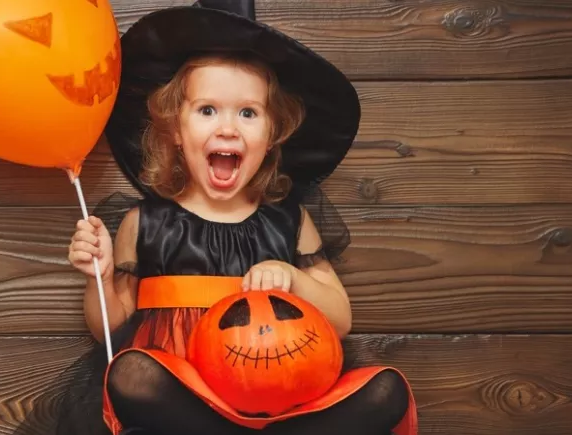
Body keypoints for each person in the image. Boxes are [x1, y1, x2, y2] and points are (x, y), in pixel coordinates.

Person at [62, 1, 418, 434]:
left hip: (281, 391)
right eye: (207, 110)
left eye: (248, 113)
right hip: (187, 400)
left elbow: (340, 319)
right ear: (175, 128)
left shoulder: (288, 220)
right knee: (131, 374)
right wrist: (98, 278)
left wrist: (291, 276)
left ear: (271, 134)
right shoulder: (145, 223)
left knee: (386, 391)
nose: (228, 128)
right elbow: (111, 332)